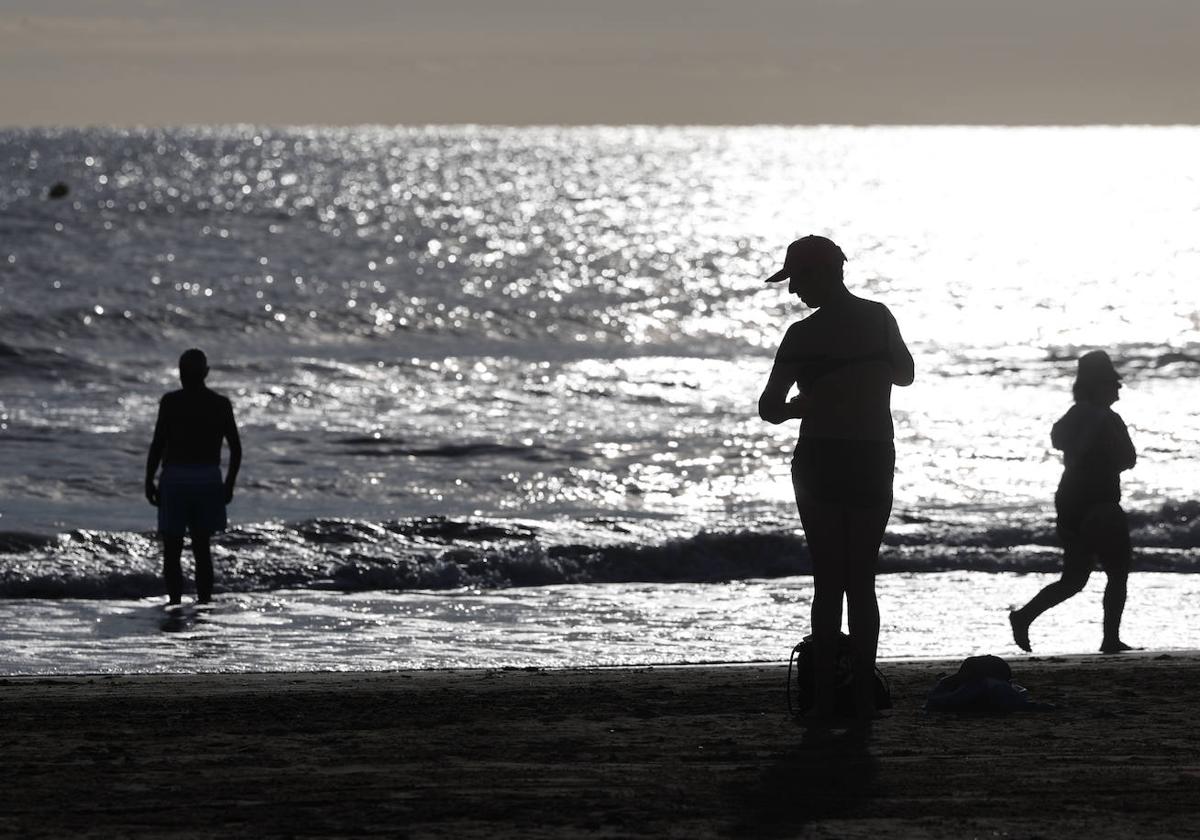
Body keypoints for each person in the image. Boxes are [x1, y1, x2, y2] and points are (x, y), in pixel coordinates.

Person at [758, 235, 914, 720]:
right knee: (860, 581)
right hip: (871, 456)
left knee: (828, 581)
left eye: (797, 280)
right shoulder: (879, 316)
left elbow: (769, 408)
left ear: (822, 274)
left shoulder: (802, 337)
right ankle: (863, 696)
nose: (792, 293)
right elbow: (905, 375)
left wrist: (801, 407)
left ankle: (825, 698)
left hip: (821, 458)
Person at [1009, 350, 1136, 654]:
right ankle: (1110, 639)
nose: (1118, 389)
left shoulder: (1077, 415)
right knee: (1116, 571)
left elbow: (1062, 443)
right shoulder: (1104, 418)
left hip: (1073, 500)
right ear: (1101, 384)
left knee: (1076, 579)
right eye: (1113, 383)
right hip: (1099, 502)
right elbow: (1128, 459)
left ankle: (1025, 616)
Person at [145, 349, 241, 605]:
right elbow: (236, 448)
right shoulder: (220, 404)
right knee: (202, 548)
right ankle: (204, 604)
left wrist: (148, 480)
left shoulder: (171, 402)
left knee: (173, 550)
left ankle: (175, 603)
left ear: (180, 374)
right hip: (208, 479)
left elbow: (158, 444)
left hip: (175, 479)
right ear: (206, 373)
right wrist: (229, 483)